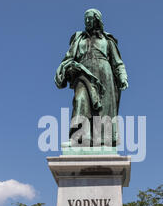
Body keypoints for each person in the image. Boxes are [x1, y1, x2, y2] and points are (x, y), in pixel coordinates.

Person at [55, 9, 128, 147]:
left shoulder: (107, 40)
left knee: (103, 111)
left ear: (97, 20)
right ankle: (79, 138)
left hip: (105, 76)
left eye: (90, 18)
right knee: (80, 99)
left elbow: (117, 62)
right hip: (84, 75)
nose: (87, 21)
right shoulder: (78, 39)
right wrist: (68, 68)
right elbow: (68, 58)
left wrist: (122, 76)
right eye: (85, 19)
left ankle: (102, 142)